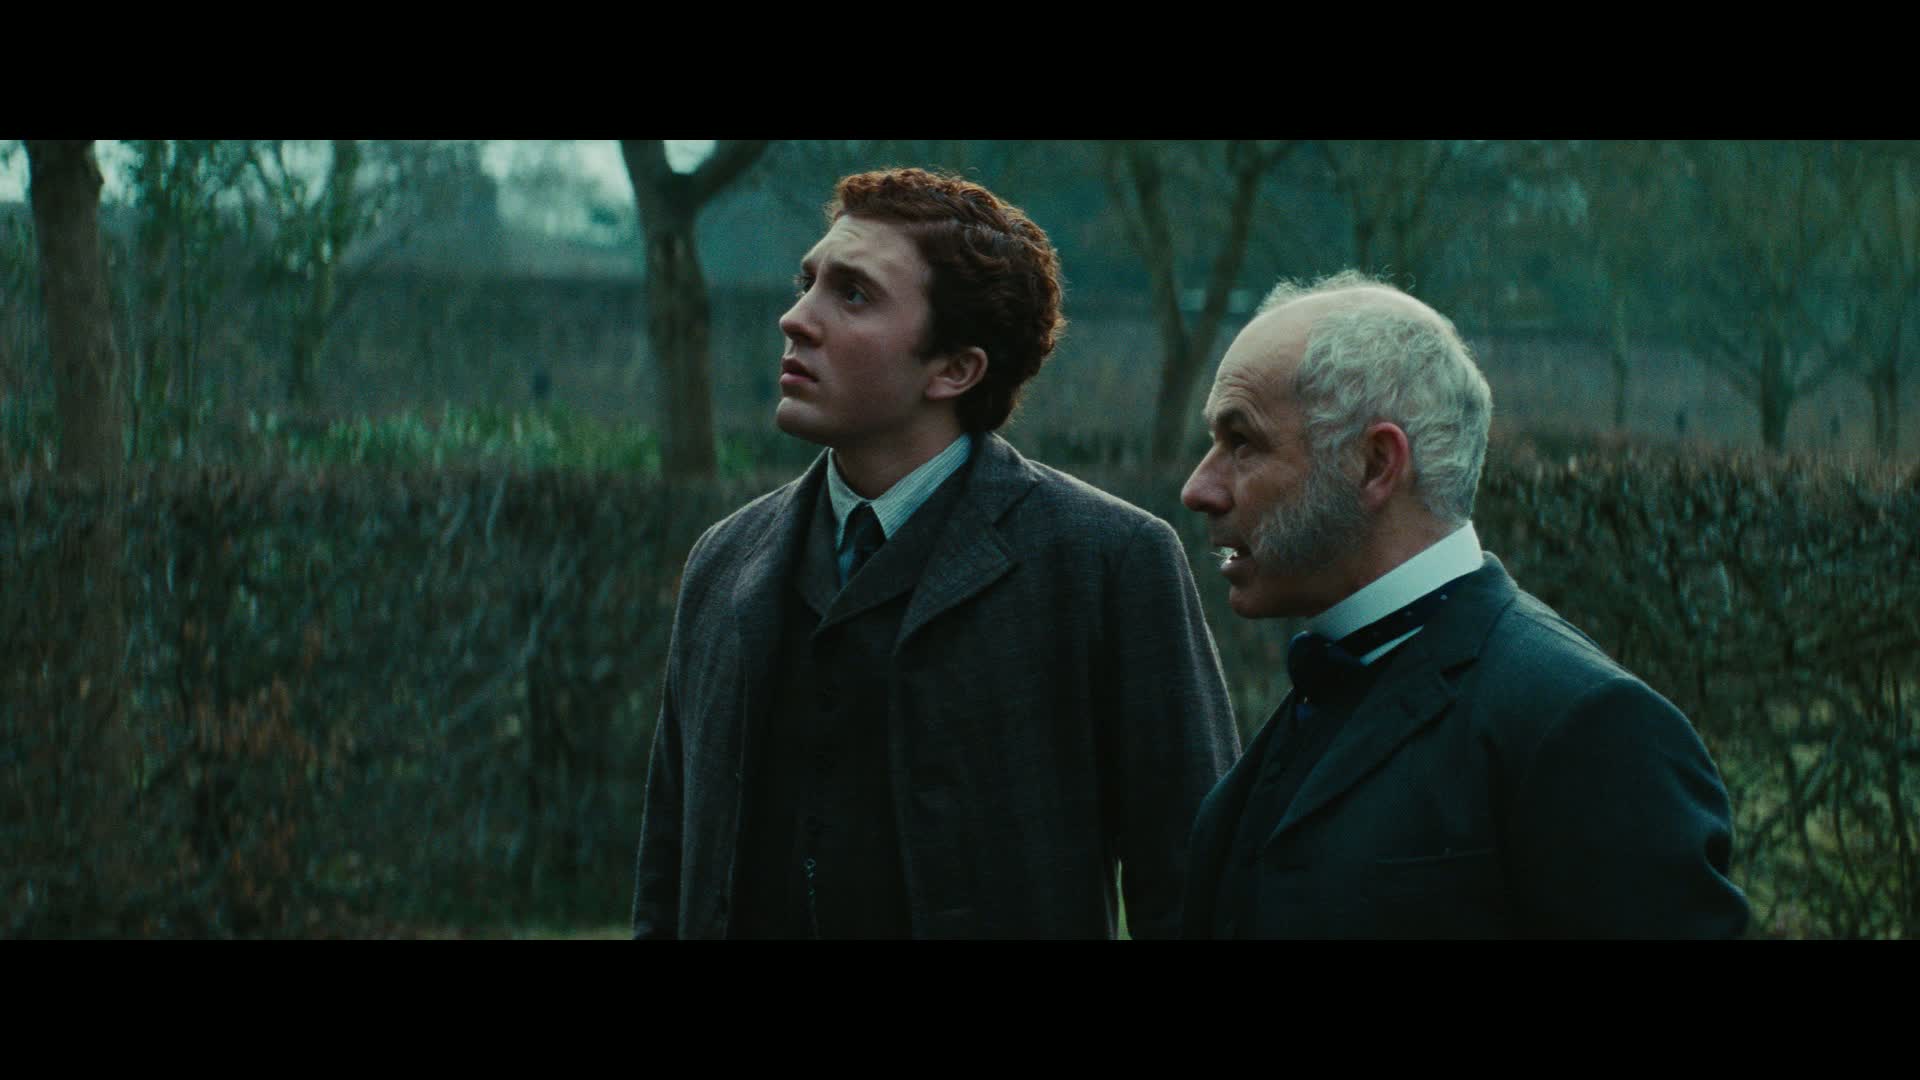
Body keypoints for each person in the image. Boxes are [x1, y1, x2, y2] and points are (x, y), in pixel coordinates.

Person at [631, 167, 1239, 939]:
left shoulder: (1109, 563)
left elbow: (1193, 887)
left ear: (955, 369)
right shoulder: (724, 562)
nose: (795, 318)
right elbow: (668, 874)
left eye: (853, 295)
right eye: (808, 283)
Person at [1178, 270, 1749, 938]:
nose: (1198, 488)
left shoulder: (1585, 726)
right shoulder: (1316, 700)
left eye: (1242, 443)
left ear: (1375, 464)